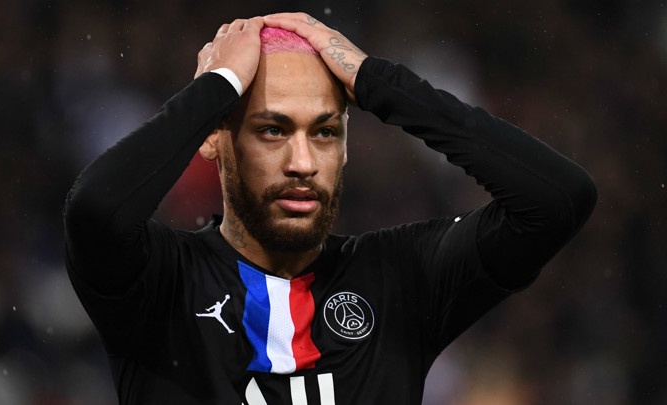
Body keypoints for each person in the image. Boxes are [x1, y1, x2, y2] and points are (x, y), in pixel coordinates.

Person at [63, 12, 597, 404]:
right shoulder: (161, 283)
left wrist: (377, 82)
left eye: (324, 132)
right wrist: (215, 88)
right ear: (213, 137)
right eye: (272, 130)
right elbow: (96, 211)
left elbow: (556, 198)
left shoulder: (401, 280)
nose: (303, 163)